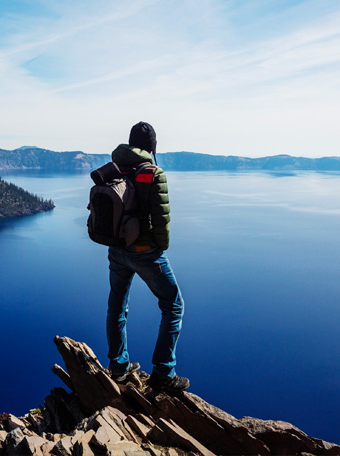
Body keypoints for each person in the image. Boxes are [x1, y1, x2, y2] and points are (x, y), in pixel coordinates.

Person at [106, 121, 189, 395]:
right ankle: (164, 372)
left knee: (117, 306)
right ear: (152, 146)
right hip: (145, 253)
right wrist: (159, 249)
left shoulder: (114, 168)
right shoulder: (153, 173)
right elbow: (162, 220)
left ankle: (118, 367)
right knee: (173, 305)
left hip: (117, 251)